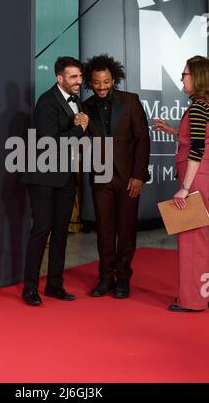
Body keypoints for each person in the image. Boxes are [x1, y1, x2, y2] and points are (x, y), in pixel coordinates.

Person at [21, 56, 89, 305]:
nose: (79, 82)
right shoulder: (46, 102)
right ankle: (29, 288)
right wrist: (79, 129)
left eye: (80, 77)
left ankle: (55, 285)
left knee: (61, 232)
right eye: (74, 77)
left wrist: (75, 126)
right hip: (42, 176)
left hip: (65, 175)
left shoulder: (75, 100)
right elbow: (50, 142)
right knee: (42, 230)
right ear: (59, 77)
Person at [82, 54, 150, 299]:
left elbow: (143, 140)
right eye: (97, 82)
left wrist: (139, 175)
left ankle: (123, 278)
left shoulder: (130, 101)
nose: (102, 87)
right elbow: (83, 141)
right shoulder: (85, 107)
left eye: (106, 82)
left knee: (127, 228)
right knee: (105, 230)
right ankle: (104, 277)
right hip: (101, 176)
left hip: (128, 178)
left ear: (114, 79)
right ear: (90, 82)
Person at [153, 55, 209, 312]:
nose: (181, 78)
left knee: (192, 240)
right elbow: (199, 138)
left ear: (197, 77)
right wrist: (174, 131)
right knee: (204, 240)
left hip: (197, 179)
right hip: (204, 177)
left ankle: (192, 300)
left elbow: (197, 149)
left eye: (185, 74)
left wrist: (185, 188)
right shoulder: (205, 106)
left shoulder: (198, 107)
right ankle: (204, 294)